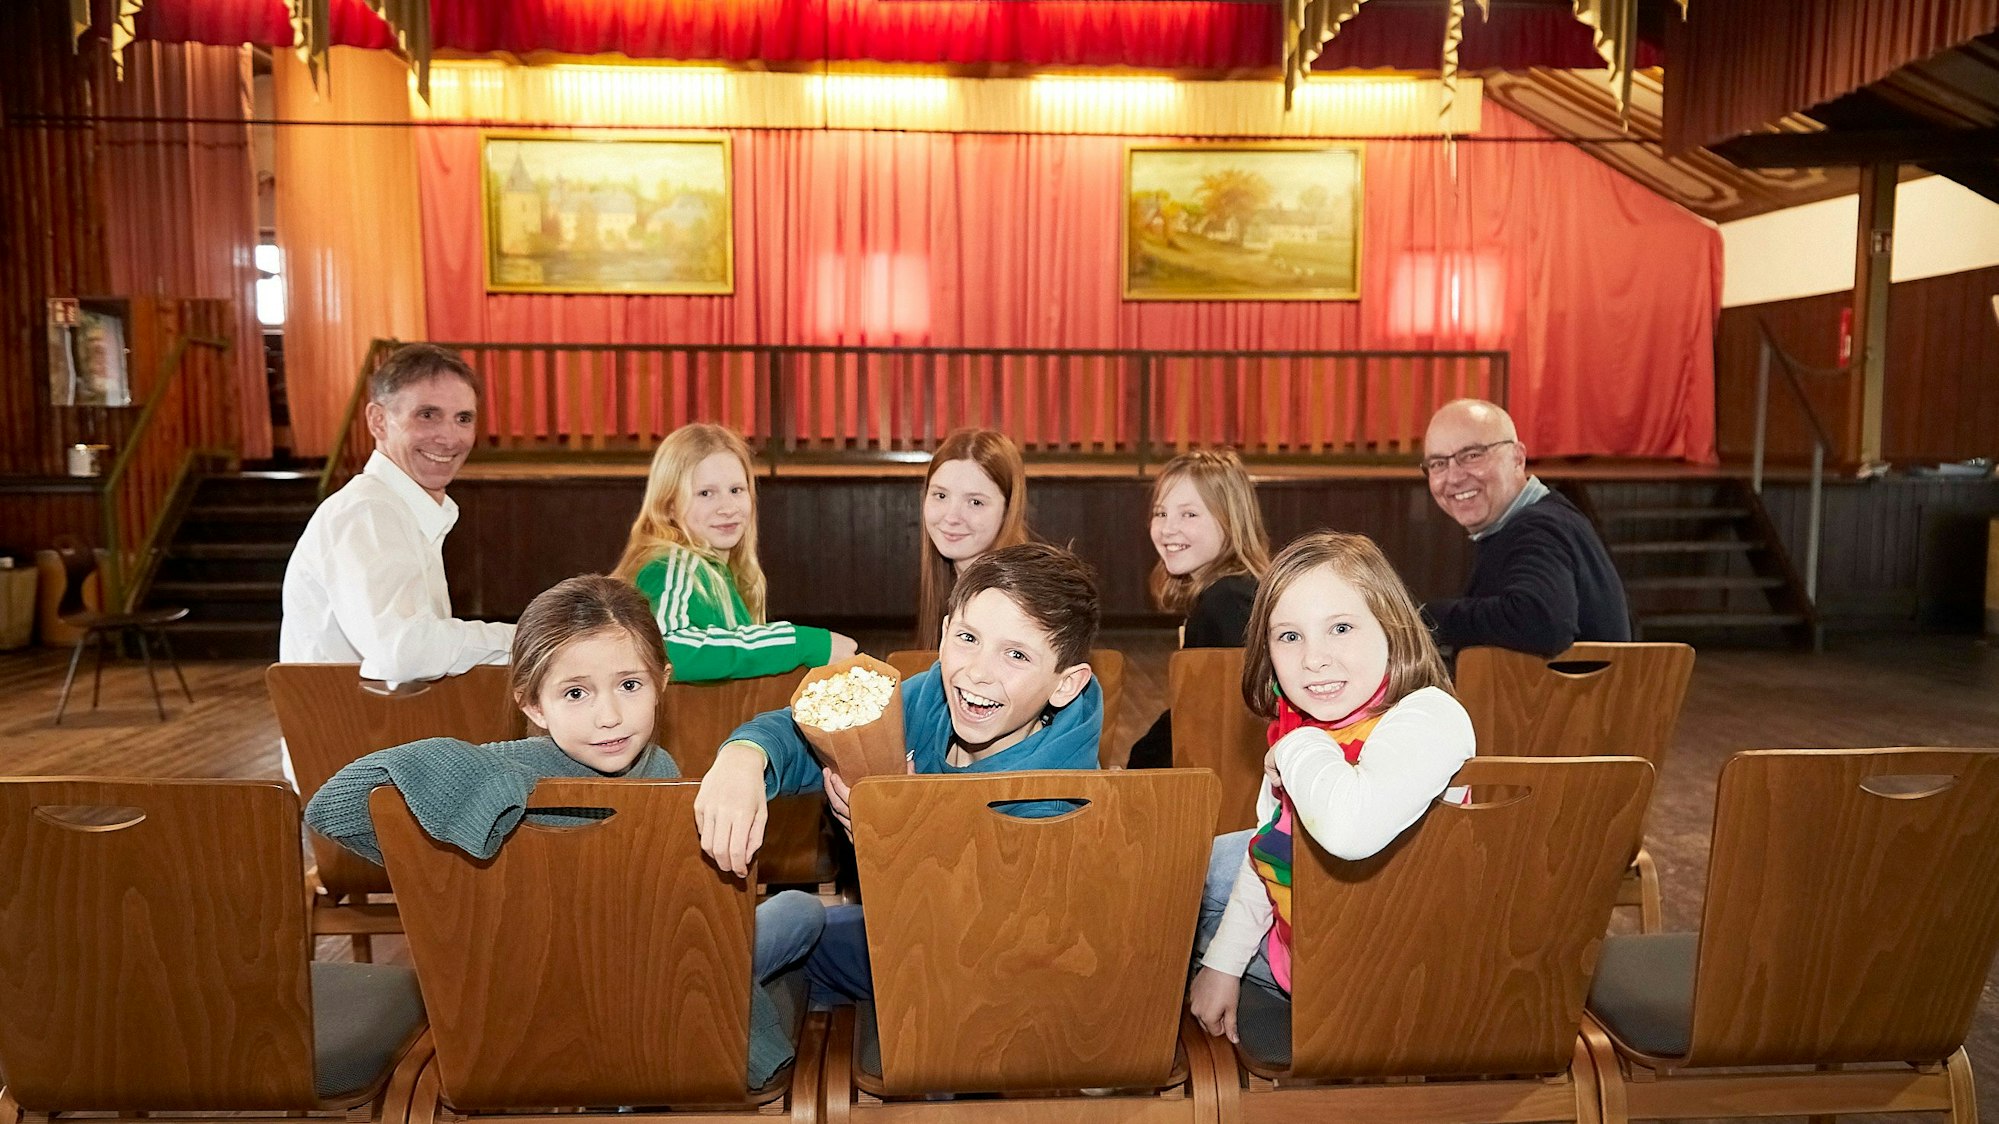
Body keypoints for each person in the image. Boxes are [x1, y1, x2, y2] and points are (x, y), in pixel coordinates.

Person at [303, 575, 824, 1090]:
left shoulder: (660, 770)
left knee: (792, 913)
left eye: (629, 685)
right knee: (801, 911)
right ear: (532, 705)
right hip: (611, 985)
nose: (609, 716)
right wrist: (470, 779)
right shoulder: (511, 772)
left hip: (584, 984)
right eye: (576, 693)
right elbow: (333, 805)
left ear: (662, 681)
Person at [696, 542, 1103, 1003]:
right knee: (783, 928)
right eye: (968, 639)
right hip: (902, 937)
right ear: (946, 632)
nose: (978, 672)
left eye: (1016, 656)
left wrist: (896, 841)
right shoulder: (933, 697)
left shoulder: (1055, 798)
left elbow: (987, 946)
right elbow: (808, 729)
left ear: (1066, 684)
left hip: (987, 989)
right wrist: (744, 759)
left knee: (757, 967)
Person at [1187, 532, 1474, 1044]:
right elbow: (1271, 851)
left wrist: (1297, 744)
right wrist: (1224, 967)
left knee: (1166, 914)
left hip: (1407, 980)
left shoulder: (1431, 715)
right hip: (1310, 960)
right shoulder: (1306, 737)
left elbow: (1349, 829)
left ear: (1393, 629)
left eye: (1340, 628)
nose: (1314, 659)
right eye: (1290, 637)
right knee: (1171, 885)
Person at [280, 342, 513, 684]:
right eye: (427, 415)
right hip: (360, 734)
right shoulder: (367, 511)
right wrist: (530, 639)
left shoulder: (398, 509)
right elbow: (404, 652)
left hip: (387, 726)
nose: (450, 437)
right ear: (378, 421)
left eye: (463, 418)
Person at [613, 423, 856, 680]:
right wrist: (802, 642)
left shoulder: (719, 572)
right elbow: (664, 648)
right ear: (669, 505)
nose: (727, 507)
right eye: (706, 493)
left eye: (736, 490)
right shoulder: (673, 564)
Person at [1419, 399, 1631, 657]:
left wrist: (1418, 619)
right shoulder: (1532, 520)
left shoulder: (1540, 529)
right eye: (1439, 464)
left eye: (1472, 456)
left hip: (1571, 697)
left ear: (1517, 458)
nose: (1454, 477)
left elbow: (1541, 622)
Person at [1126, 449, 1271, 770]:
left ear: (1230, 521)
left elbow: (1210, 723)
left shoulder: (1227, 601)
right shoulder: (1234, 592)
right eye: (1161, 513)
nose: (1167, 529)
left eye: (1189, 514)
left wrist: (1135, 773)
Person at [914, 428, 1031, 646]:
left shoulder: (1020, 602)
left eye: (975, 502)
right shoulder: (951, 579)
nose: (951, 517)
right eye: (940, 495)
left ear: (1008, 510)